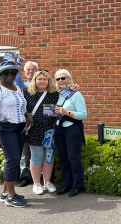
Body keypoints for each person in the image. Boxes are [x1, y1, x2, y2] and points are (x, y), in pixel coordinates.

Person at [0, 61, 31, 207]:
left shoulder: (17, 88)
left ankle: (5, 193)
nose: (10, 75)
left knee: (15, 160)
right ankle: (11, 197)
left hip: (19, 128)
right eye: (6, 72)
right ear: (0, 74)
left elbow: (20, 106)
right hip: (5, 128)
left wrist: (27, 114)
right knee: (13, 160)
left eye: (13, 73)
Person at [22, 71, 59, 195]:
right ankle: (37, 183)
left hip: (49, 132)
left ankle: (47, 182)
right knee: (37, 157)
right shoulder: (26, 93)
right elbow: (22, 108)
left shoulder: (53, 94)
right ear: (35, 80)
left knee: (48, 158)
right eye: (39, 79)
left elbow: (55, 114)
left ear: (48, 81)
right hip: (34, 131)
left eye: (44, 79)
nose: (42, 81)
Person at [54, 69, 87, 197]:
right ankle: (66, 184)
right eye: (58, 79)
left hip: (72, 128)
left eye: (63, 78)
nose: (61, 81)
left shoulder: (76, 94)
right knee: (63, 159)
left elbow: (83, 114)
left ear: (69, 78)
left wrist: (66, 112)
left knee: (74, 158)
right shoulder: (57, 94)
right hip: (59, 129)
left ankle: (77, 185)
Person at [18, 61, 39, 187]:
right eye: (28, 70)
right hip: (25, 123)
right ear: (24, 72)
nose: (30, 72)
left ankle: (39, 176)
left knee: (38, 151)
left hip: (41, 124)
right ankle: (25, 176)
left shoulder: (43, 84)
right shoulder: (20, 85)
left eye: (33, 69)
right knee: (24, 151)